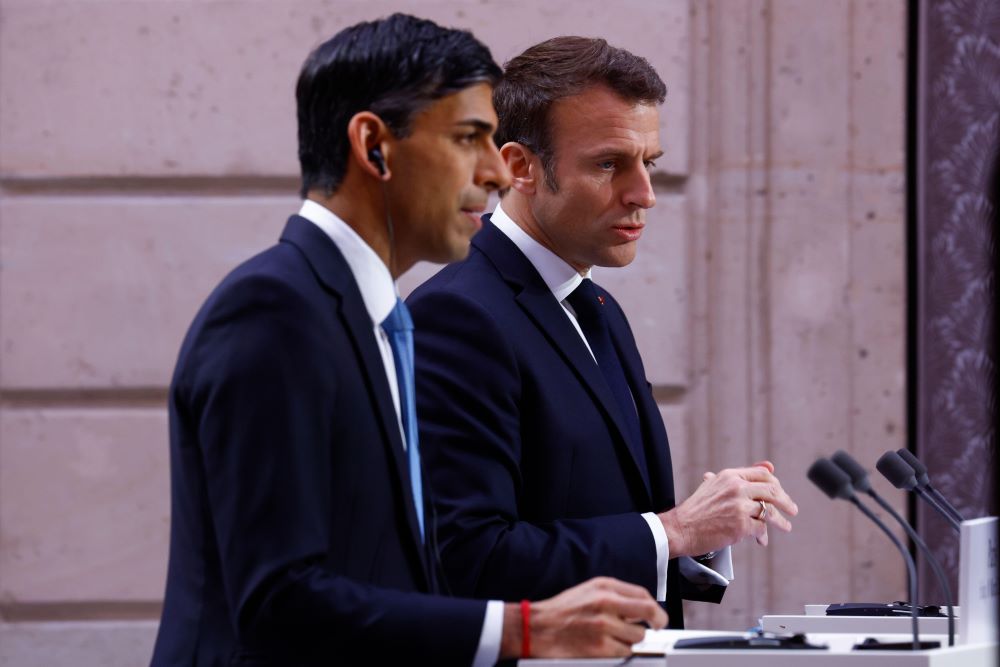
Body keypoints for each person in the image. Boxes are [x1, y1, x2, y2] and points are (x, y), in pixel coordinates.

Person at [150, 17, 667, 667]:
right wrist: (522, 628)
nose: (496, 172)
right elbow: (277, 598)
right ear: (374, 146)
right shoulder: (274, 308)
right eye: (468, 138)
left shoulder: (368, 314)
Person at [408, 36, 800, 628]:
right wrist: (673, 529)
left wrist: (697, 535)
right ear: (521, 167)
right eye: (610, 164)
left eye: (651, 163)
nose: (643, 194)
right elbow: (467, 558)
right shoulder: (457, 315)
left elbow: (605, 519)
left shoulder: (599, 308)